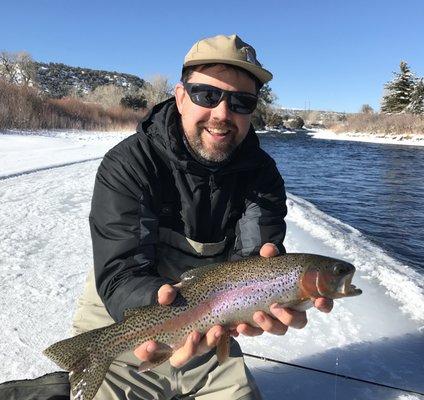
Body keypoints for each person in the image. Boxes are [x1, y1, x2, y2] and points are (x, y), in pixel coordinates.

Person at [72, 34, 333, 400]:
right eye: (207, 95)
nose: (223, 114)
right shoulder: (129, 164)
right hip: (126, 319)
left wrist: (270, 300)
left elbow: (253, 265)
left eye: (242, 102)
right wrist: (157, 316)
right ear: (180, 97)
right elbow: (122, 273)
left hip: (210, 322)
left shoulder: (262, 175)